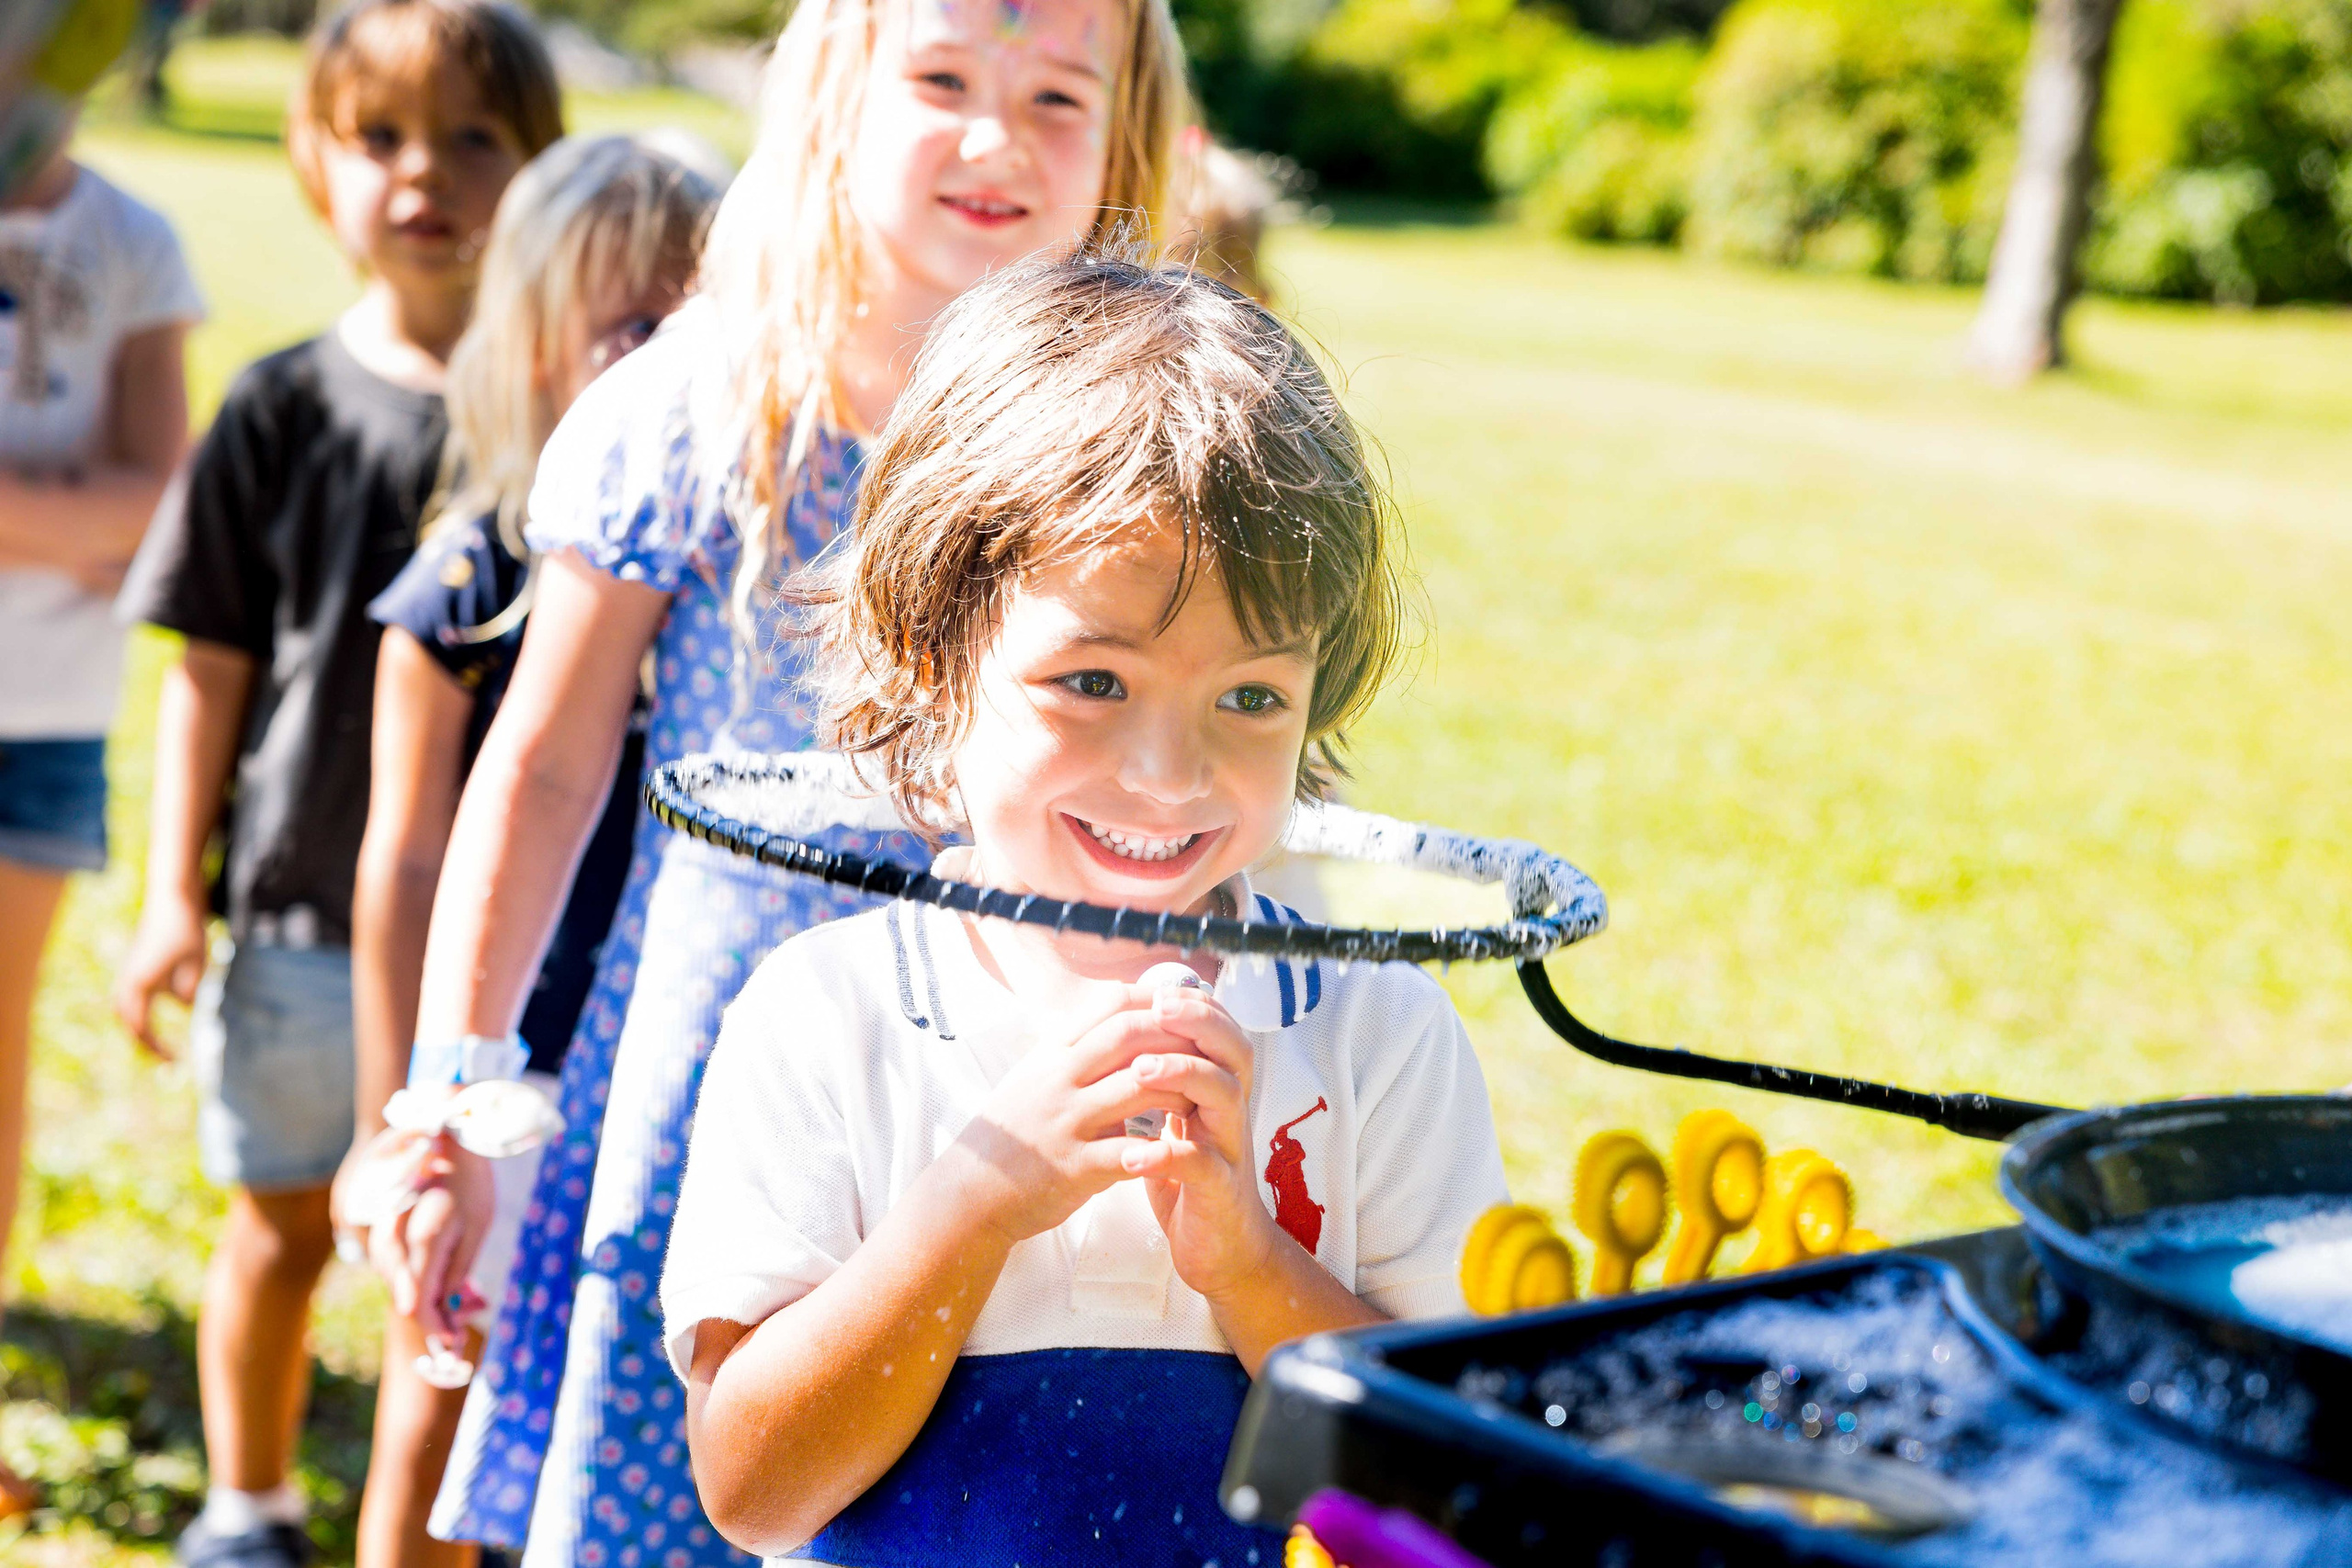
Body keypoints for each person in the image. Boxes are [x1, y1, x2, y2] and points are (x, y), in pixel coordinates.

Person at [372, 0, 1191, 1560]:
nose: (991, 139)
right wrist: (459, 1095)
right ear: (835, 92)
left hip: (1021, 1091)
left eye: (1056, 97)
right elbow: (539, 768)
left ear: (1128, 127)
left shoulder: (1138, 448)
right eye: (942, 79)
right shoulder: (703, 405)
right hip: (706, 1078)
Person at [665, 250, 1510, 1567]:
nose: (1169, 777)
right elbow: (756, 1487)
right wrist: (976, 1200)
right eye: (1093, 682)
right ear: (936, 655)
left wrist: (1246, 1260)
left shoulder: (1375, 1038)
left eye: (1250, 698)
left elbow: (1444, 1496)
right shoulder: (827, 1015)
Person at [109, 5, 560, 1564]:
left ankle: (438, 1517)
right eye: (380, 138)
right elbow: (211, 668)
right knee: (287, 1221)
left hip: (504, 936)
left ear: (542, 172)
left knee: (465, 1253)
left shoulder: (565, 430)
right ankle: (249, 1503)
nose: (423, 176)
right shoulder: (279, 405)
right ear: (318, 161)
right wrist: (175, 890)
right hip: (299, 908)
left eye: (474, 140)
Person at [342, 132, 723, 1568]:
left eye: (694, 321)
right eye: (625, 324)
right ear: (534, 344)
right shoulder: (467, 582)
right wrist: (406, 1117)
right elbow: (406, 862)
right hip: (499, 1075)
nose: (663, 358)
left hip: (652, 1074)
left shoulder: (726, 571)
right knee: (435, 1409)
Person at [0, 90, 201, 1524]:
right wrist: (60, 512)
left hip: (46, 720)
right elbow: (101, 508)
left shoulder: (132, 242)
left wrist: (104, 515)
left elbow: (153, 502)